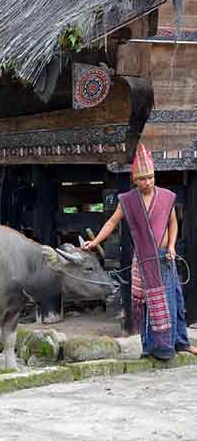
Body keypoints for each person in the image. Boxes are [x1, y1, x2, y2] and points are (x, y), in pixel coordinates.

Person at [83, 143, 197, 360]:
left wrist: (172, 246)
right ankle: (153, 347)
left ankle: (180, 343)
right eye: (143, 179)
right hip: (144, 260)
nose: (148, 182)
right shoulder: (128, 200)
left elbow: (173, 223)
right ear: (134, 180)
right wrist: (95, 241)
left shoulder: (165, 196)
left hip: (165, 257)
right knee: (148, 305)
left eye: (151, 177)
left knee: (174, 301)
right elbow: (112, 222)